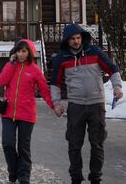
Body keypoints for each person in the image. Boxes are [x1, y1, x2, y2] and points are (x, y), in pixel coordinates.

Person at [50, 24, 123, 184]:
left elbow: (112, 69)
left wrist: (117, 86)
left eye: (78, 38)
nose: (76, 41)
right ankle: (76, 178)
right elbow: (55, 82)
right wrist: (56, 103)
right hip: (76, 105)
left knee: (97, 144)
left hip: (96, 104)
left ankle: (95, 177)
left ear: (82, 37)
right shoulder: (61, 58)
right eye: (72, 39)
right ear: (67, 40)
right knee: (74, 144)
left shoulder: (95, 52)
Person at [0, 39, 57, 184]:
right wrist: (10, 64)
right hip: (8, 112)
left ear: (29, 52)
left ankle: (24, 176)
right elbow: (1, 82)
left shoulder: (35, 70)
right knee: (8, 144)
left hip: (26, 114)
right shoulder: (11, 65)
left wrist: (54, 105)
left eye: (24, 51)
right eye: (18, 51)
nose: (21, 54)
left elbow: (44, 90)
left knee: (23, 148)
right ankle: (13, 170)